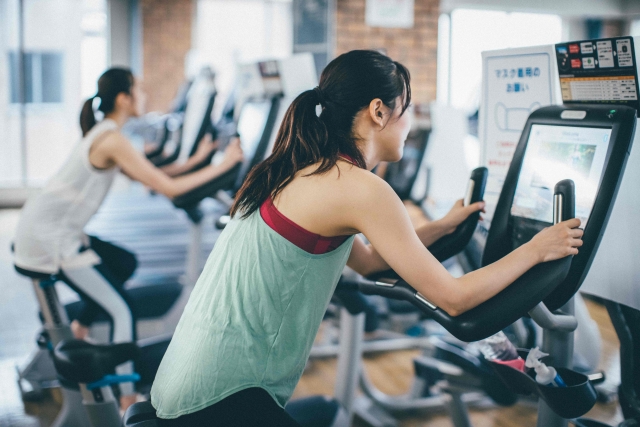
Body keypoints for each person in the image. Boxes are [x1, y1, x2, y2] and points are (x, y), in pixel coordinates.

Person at [150, 50, 583, 427]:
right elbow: (453, 298)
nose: (411, 123)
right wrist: (536, 249)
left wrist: (442, 226)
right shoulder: (361, 187)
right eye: (406, 107)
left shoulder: (302, 168)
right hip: (220, 400)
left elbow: (370, 260)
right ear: (379, 111)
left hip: (182, 384)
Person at [13, 67, 243, 411]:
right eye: (138, 90)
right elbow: (167, 188)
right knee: (121, 309)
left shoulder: (105, 133)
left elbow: (153, 175)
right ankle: (126, 400)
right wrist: (228, 163)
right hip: (50, 242)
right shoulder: (111, 139)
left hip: (48, 231)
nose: (144, 96)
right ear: (124, 98)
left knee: (123, 263)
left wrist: (200, 160)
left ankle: (79, 329)